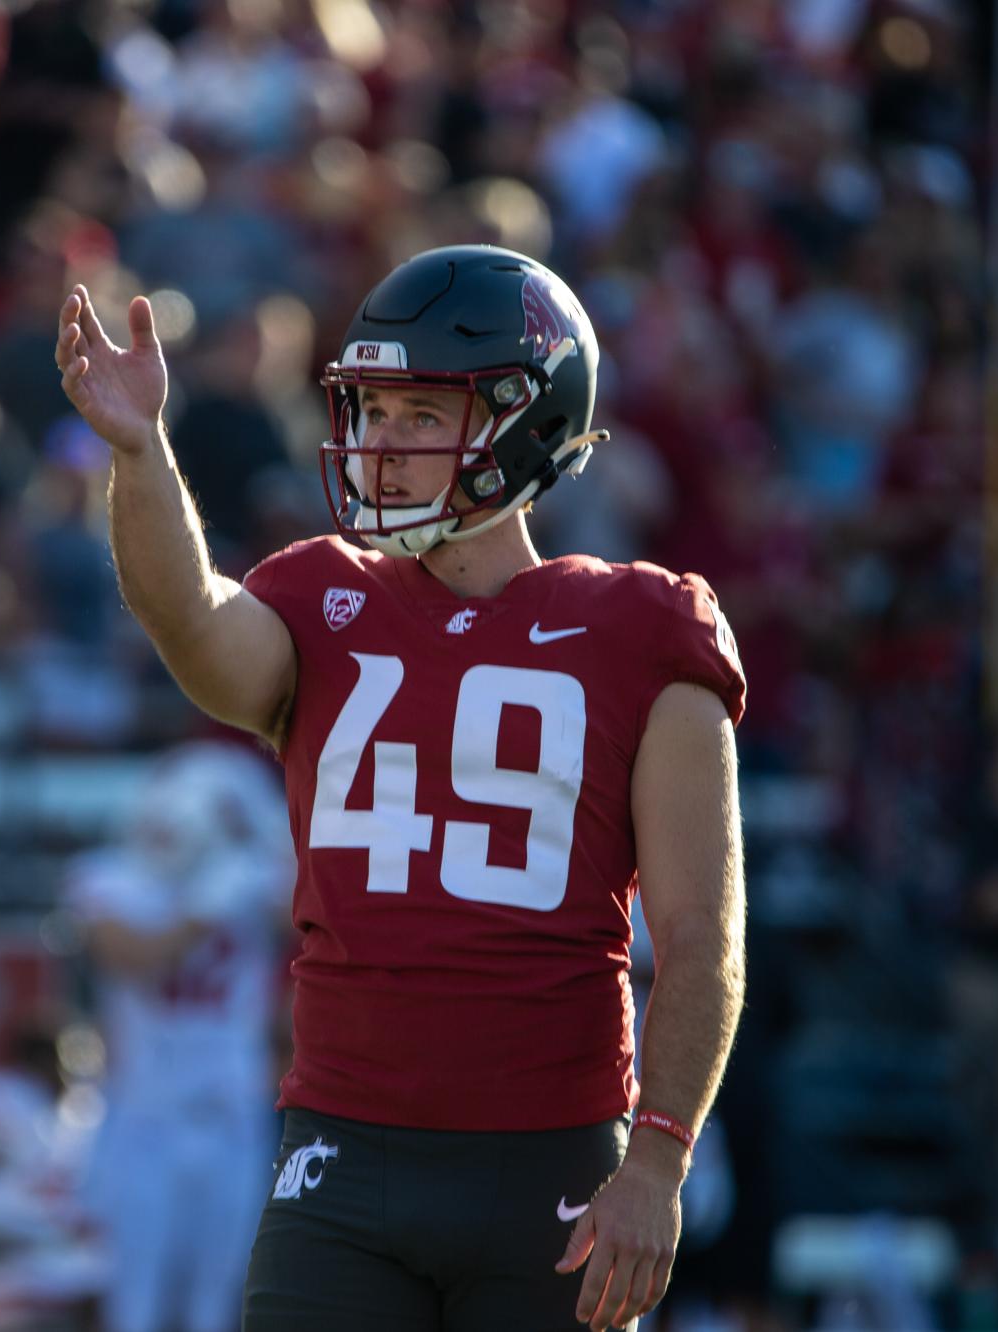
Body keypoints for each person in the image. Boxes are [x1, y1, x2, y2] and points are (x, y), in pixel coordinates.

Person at [56, 244, 748, 1331]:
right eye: (371, 411)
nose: (380, 446)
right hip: (343, 1151)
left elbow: (703, 938)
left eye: (421, 415)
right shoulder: (323, 596)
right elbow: (188, 617)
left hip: (550, 1163)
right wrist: (142, 452)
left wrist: (659, 1159)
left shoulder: (644, 627)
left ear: (526, 419)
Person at [68, 742, 292, 1332]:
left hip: (231, 1118)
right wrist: (203, 911)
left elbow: (313, 918)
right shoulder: (110, 880)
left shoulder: (251, 881)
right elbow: (132, 957)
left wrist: (265, 859)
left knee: (219, 1303)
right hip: (145, 1120)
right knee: (134, 1303)